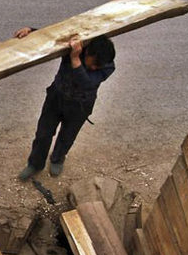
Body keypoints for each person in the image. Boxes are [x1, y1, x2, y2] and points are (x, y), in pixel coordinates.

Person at [14, 27, 116, 180]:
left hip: (80, 105)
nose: (95, 68)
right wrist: (31, 32)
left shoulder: (108, 66)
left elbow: (86, 83)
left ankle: (57, 159)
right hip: (56, 97)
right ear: (88, 52)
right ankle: (35, 164)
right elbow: (53, 39)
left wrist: (74, 59)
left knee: (67, 136)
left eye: (97, 67)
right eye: (94, 64)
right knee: (43, 134)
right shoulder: (77, 47)